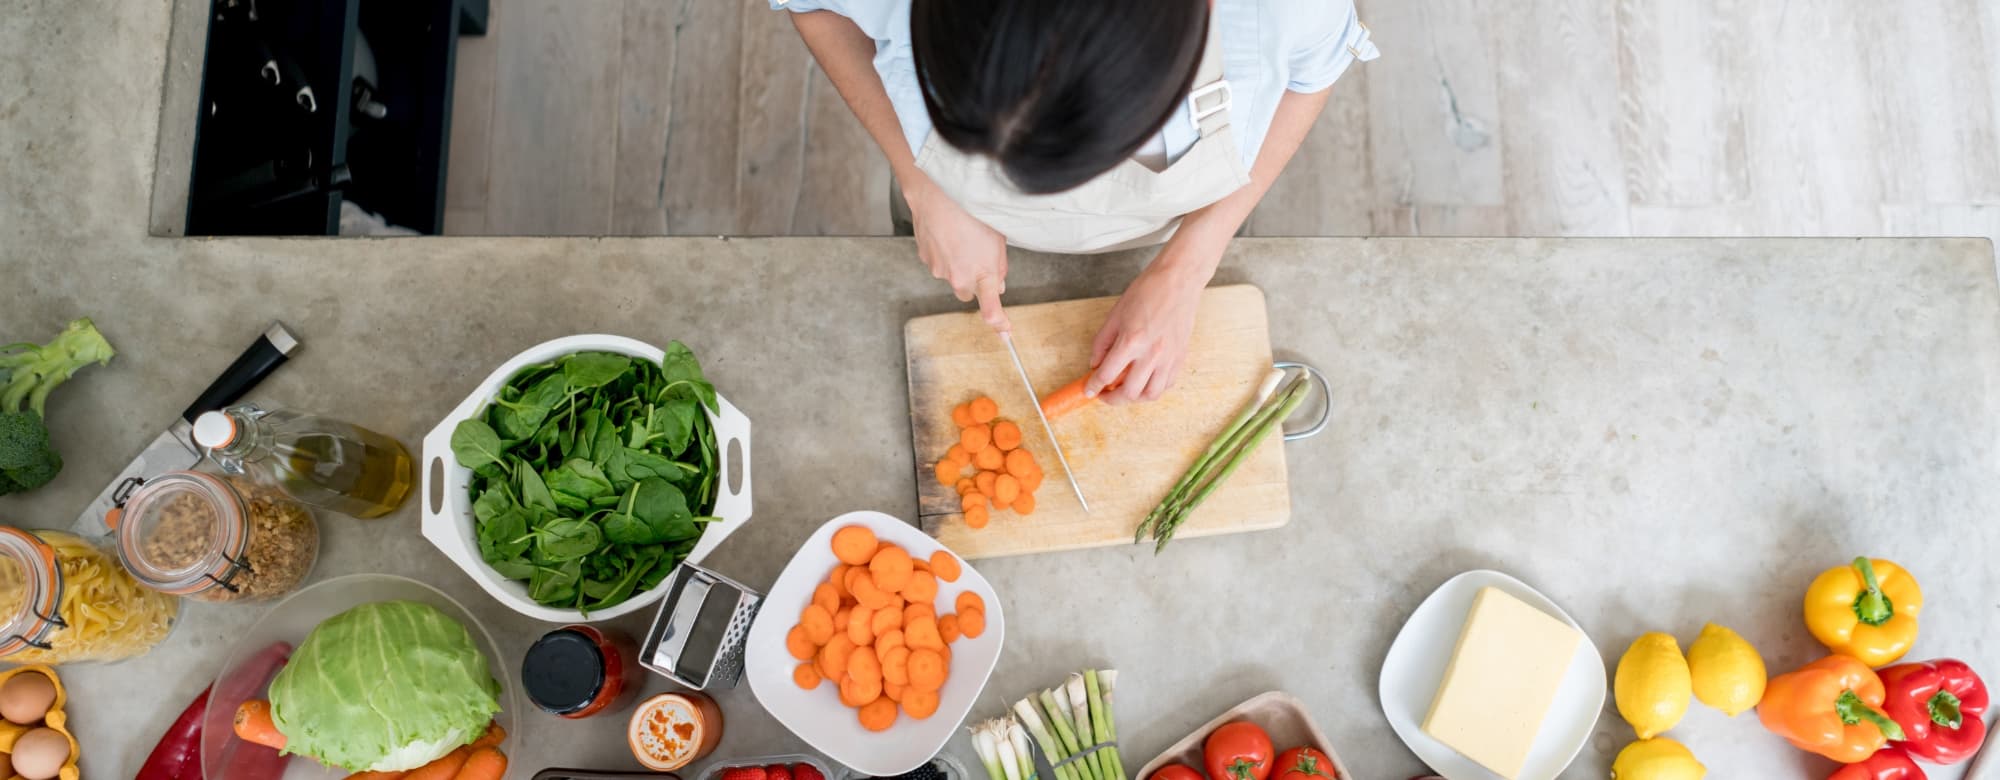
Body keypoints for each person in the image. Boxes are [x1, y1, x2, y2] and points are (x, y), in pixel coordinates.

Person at [776, 0, 1376, 403]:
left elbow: (1310, 77)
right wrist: (924, 184)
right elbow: (813, 8)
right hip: (947, 223)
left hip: (1186, 226)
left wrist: (1190, 264)